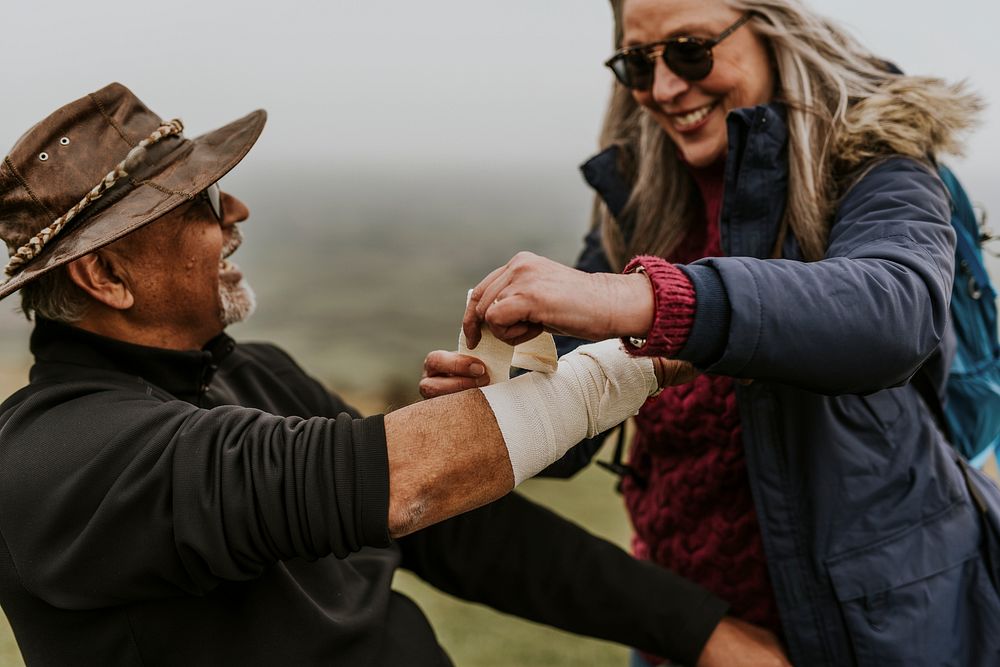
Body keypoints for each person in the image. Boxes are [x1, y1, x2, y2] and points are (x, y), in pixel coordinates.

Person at [0, 83, 793, 666]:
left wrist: (701, 628)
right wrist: (660, 341)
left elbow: (462, 531)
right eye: (198, 202)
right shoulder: (58, 458)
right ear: (106, 275)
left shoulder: (251, 374)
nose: (234, 211)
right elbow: (402, 480)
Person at [425, 0, 1000, 665]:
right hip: (689, 627)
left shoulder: (874, 156)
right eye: (639, 63)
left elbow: (895, 314)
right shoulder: (641, 193)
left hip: (878, 630)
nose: (665, 88)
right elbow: (575, 419)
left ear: (772, 29)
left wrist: (639, 298)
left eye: (691, 49)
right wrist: (506, 390)